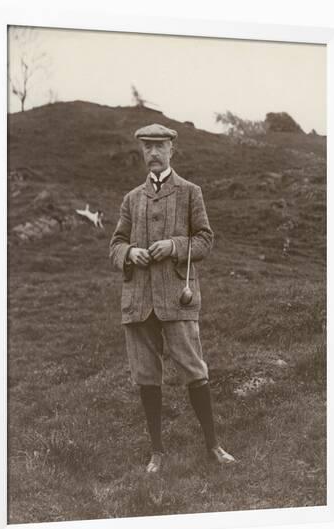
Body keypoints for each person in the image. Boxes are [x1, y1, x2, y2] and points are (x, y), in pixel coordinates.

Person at [109, 123, 236, 473]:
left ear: (171, 150)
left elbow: (206, 240)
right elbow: (115, 243)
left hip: (177, 298)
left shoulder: (190, 193)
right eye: (147, 147)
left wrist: (175, 246)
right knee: (146, 376)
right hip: (139, 301)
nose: (152, 152)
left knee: (195, 371)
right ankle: (157, 452)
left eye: (159, 146)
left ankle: (213, 445)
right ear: (141, 151)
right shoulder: (131, 199)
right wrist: (129, 252)